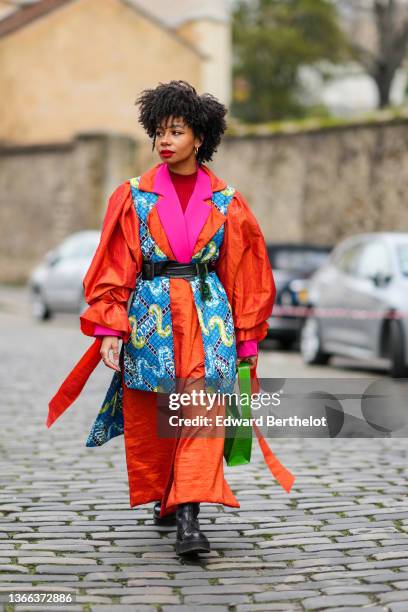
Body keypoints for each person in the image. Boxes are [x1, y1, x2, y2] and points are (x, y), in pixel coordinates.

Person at [47, 80, 295, 557]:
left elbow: (244, 271)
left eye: (176, 131)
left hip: (209, 317)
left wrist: (246, 339)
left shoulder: (228, 201)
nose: (165, 141)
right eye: (159, 131)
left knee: (201, 412)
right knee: (156, 413)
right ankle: (168, 492)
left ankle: (189, 517)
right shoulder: (132, 196)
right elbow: (114, 266)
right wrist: (109, 329)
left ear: (199, 138)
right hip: (151, 317)